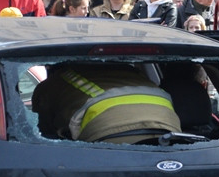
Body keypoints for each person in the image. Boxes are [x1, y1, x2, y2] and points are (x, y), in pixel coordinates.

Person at [31, 62, 181, 144]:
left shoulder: (53, 84)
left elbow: (44, 133)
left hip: (108, 142)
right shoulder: (133, 73)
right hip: (171, 135)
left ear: (53, 66)